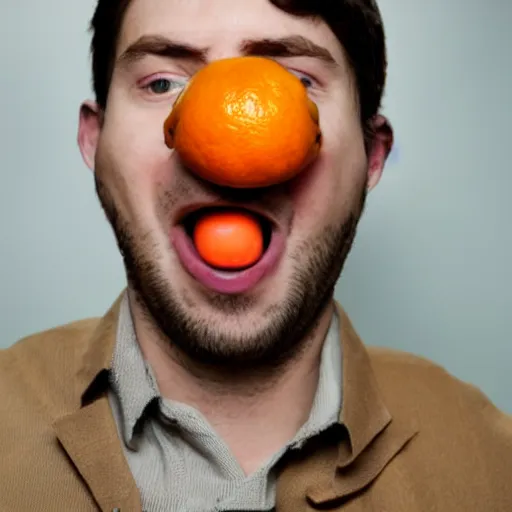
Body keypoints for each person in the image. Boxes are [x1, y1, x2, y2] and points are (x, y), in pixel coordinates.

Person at [1, 0, 511, 510]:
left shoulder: (493, 466)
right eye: (162, 83)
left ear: (372, 155)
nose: (223, 147)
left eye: (295, 80)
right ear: (94, 141)